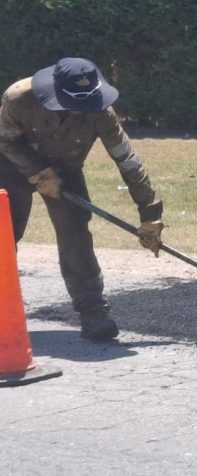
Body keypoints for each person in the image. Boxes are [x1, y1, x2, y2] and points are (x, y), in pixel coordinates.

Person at [0, 58, 164, 341]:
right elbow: (4, 139)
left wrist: (150, 215)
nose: (80, 111)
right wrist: (38, 172)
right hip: (11, 167)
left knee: (75, 232)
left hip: (65, 170)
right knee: (3, 235)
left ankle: (92, 310)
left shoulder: (102, 113)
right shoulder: (19, 97)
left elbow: (127, 160)